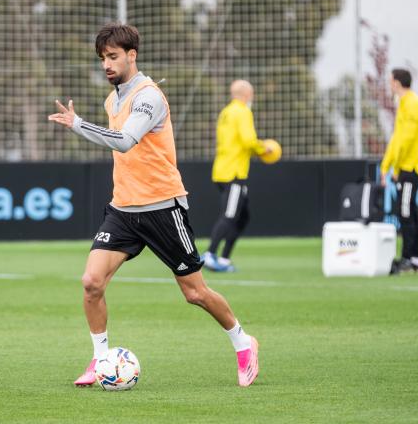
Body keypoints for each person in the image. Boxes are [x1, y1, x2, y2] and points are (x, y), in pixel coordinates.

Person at [48, 23, 259, 387]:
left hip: (163, 207)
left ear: (132, 55)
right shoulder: (112, 99)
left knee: (195, 293)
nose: (107, 65)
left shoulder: (149, 96)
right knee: (91, 282)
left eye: (113, 57)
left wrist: (79, 125)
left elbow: (126, 141)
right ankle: (100, 362)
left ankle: (244, 342)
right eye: (102, 59)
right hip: (123, 210)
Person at [201, 80, 270, 273]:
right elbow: (248, 141)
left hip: (222, 170)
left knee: (242, 216)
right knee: (230, 215)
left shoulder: (226, 112)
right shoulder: (242, 111)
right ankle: (210, 254)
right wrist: (265, 148)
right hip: (234, 173)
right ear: (247, 94)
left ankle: (223, 259)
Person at [380, 68, 418, 274]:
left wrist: (396, 167)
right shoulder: (405, 104)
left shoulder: (413, 104)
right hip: (405, 166)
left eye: (391, 80)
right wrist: (385, 165)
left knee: (405, 211)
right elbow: (397, 138)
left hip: (410, 167)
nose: (389, 83)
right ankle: (416, 260)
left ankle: (408, 259)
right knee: (408, 211)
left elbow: (405, 140)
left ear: (397, 82)